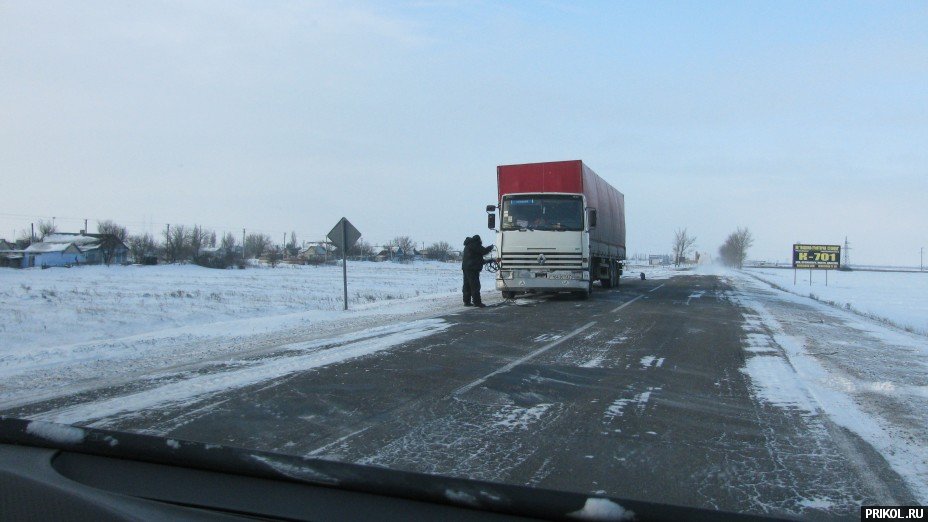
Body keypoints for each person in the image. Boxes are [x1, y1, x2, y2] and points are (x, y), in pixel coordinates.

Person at [462, 235, 493, 307]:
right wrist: (490, 248)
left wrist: (488, 261)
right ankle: (477, 302)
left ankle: (466, 301)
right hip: (472, 269)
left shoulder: (468, 245)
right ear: (478, 240)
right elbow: (483, 251)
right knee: (475, 286)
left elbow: (476, 258)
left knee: (467, 285)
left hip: (466, 268)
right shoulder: (474, 245)